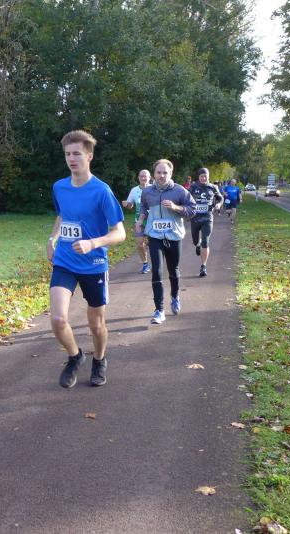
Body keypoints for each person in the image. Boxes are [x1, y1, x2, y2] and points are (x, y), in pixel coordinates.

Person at [47, 130, 126, 388]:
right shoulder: (59, 187)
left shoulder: (102, 191)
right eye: (67, 154)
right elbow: (63, 216)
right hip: (65, 261)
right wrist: (52, 239)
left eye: (77, 154)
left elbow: (120, 233)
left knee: (96, 325)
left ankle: (99, 359)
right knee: (58, 319)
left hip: (94, 265)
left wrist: (93, 243)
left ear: (89, 156)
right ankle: (74, 356)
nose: (72, 159)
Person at [135, 159, 197, 324]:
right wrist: (141, 220)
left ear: (171, 174)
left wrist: (176, 207)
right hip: (155, 236)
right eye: (159, 172)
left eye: (165, 173)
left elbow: (192, 209)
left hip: (174, 236)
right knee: (156, 271)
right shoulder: (147, 191)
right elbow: (144, 207)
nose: (162, 176)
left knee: (173, 270)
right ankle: (159, 310)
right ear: (154, 174)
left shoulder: (180, 191)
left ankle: (175, 296)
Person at [188, 167, 223, 277]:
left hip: (207, 218)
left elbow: (220, 198)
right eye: (201, 176)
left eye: (205, 176)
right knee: (195, 241)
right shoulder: (193, 187)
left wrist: (218, 204)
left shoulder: (213, 187)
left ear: (208, 176)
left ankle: (203, 266)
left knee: (206, 242)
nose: (203, 178)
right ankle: (197, 244)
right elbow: (185, 198)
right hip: (195, 218)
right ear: (198, 177)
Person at [121, 169, 151, 273]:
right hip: (139, 222)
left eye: (145, 176)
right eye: (141, 176)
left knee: (154, 245)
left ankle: (157, 262)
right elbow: (130, 206)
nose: (143, 178)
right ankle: (145, 264)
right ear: (138, 178)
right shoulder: (134, 190)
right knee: (139, 244)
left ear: (149, 178)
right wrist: (126, 204)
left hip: (152, 221)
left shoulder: (154, 189)